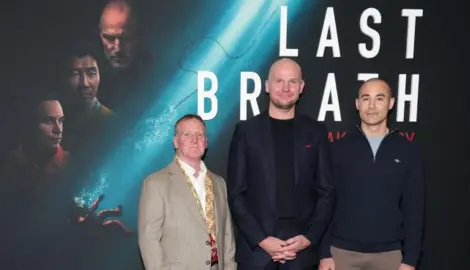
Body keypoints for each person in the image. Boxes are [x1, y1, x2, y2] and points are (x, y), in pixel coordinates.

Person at [227, 58, 335, 270]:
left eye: (292, 82)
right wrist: (261, 239)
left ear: (301, 87)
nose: (286, 88)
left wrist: (309, 238)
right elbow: (236, 194)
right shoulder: (246, 131)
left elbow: (327, 192)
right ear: (267, 86)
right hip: (257, 253)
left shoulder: (316, 132)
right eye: (279, 81)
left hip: (301, 253)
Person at [319, 78, 426, 270]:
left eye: (379, 98)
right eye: (366, 98)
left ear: (391, 103)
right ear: (357, 104)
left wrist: (410, 259)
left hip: (389, 256)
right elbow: (326, 203)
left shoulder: (408, 151)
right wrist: (324, 253)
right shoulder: (337, 149)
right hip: (341, 254)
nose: (372, 106)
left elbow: (414, 209)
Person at [138, 114, 237, 270]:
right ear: (176, 141)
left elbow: (227, 235)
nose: (194, 139)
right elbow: (149, 240)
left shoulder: (219, 183)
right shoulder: (156, 183)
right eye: (187, 134)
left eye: (200, 134)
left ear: (206, 142)